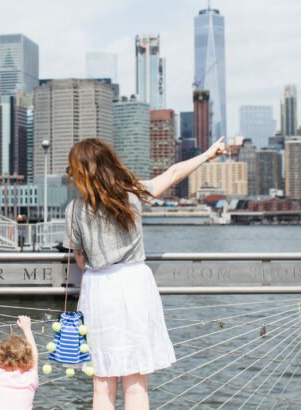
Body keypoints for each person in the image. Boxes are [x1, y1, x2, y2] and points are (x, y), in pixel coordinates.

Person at [65, 137, 226, 410]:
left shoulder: (75, 211)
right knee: (136, 384)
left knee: (102, 384)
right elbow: (174, 173)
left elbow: (80, 261)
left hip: (100, 290)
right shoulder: (132, 195)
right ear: (109, 165)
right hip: (135, 284)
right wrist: (209, 154)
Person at [0, 310, 39, 410]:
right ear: (27, 357)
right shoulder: (30, 377)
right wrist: (27, 329)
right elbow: (35, 356)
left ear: (1, 357)